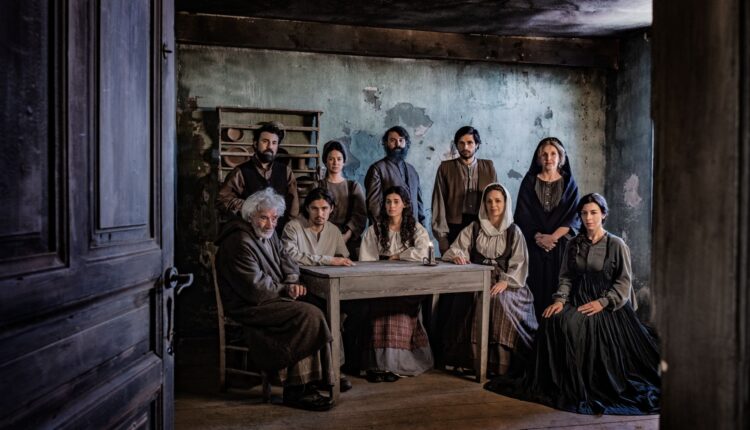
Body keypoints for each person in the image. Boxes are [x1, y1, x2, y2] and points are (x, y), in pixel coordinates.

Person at [485, 193, 660, 415]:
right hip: (577, 298)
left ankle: (584, 384)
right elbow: (566, 277)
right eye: (584, 213)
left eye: (594, 213)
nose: (588, 218)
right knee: (551, 320)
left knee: (575, 327)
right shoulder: (573, 243)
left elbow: (624, 283)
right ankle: (556, 383)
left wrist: (603, 302)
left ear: (603, 214)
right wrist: (560, 300)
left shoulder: (616, 244)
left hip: (607, 303)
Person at [214, 188, 335, 411]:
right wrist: (287, 290)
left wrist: (292, 280)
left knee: (317, 305)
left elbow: (287, 259)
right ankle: (296, 390)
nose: (270, 224)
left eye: (274, 218)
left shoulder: (269, 234)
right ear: (250, 216)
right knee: (307, 315)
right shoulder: (239, 241)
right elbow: (255, 289)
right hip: (249, 306)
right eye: (263, 218)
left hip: (270, 298)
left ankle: (315, 379)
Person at [441, 183, 538, 376]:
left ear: (505, 203)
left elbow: (519, 264)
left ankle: (497, 364)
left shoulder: (514, 231)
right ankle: (469, 360)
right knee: (471, 298)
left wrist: (506, 281)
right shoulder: (474, 227)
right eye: (489, 201)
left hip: (507, 281)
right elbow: (456, 249)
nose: (493, 205)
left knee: (497, 301)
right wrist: (457, 257)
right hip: (478, 276)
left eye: (498, 201)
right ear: (484, 204)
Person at [357, 186, 433, 382]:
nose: (391, 206)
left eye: (396, 202)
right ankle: (377, 366)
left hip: (407, 286)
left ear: (405, 204)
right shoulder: (375, 230)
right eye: (388, 202)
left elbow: (424, 252)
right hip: (380, 285)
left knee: (398, 309)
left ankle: (396, 365)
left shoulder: (415, 229)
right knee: (381, 308)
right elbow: (366, 261)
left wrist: (399, 256)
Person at [514, 137, 580, 319]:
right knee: (534, 289)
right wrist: (538, 237)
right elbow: (522, 215)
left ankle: (556, 328)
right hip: (534, 244)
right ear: (538, 158)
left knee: (559, 288)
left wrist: (553, 237)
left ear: (561, 157)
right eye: (544, 154)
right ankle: (534, 329)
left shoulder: (569, 182)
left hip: (560, 246)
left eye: (553, 154)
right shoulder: (529, 181)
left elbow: (573, 216)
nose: (548, 158)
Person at [216, 121, 299, 232]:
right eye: (265, 141)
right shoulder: (241, 172)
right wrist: (248, 207)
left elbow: (293, 207)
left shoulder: (286, 172)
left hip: (278, 232)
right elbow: (222, 199)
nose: (270, 146)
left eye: (274, 143)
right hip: (249, 232)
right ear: (255, 144)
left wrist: (289, 230)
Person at [431, 126, 498, 255]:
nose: (465, 147)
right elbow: (438, 203)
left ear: (477, 145)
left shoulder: (488, 167)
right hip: (454, 227)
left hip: (482, 226)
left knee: (480, 264)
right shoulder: (445, 168)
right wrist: (442, 237)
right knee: (455, 264)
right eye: (461, 143)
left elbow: (496, 198)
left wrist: (495, 229)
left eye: (470, 142)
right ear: (456, 145)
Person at [364, 126, 425, 226]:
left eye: (401, 140)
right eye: (393, 140)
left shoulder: (412, 170)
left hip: (413, 229)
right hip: (388, 230)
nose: (398, 144)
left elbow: (419, 204)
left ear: (406, 143)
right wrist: (385, 230)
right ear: (386, 143)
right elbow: (373, 206)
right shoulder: (377, 169)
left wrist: (423, 228)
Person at [318, 140, 367, 259]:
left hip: (349, 241)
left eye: (339, 159)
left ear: (344, 161)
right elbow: (312, 214)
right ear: (325, 161)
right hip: (323, 239)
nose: (335, 163)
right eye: (331, 159)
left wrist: (347, 235)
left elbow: (360, 216)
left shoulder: (353, 186)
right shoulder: (318, 186)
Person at [282, 187, 354, 267]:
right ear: (307, 208)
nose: (319, 214)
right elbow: (289, 256)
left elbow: (344, 259)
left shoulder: (334, 231)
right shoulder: (292, 227)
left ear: (331, 208)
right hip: (299, 274)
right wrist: (328, 260)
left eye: (324, 208)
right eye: (314, 208)